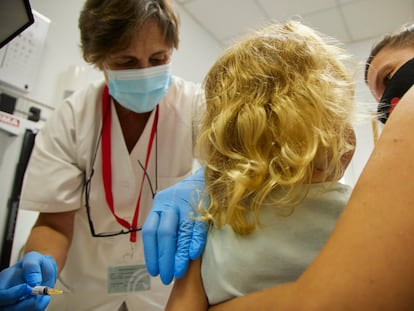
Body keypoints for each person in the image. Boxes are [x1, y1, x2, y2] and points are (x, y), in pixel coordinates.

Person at [144, 22, 414, 310]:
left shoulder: (212, 224)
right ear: (340, 136)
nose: (388, 103)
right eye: (382, 87)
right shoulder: (357, 215)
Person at [0, 0, 205, 310]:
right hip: (84, 288)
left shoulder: (194, 106)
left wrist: (204, 181)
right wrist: (37, 269)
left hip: (158, 289)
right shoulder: (73, 118)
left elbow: (235, 168)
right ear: (98, 61)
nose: (145, 73)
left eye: (158, 58)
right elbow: (54, 224)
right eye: (126, 61)